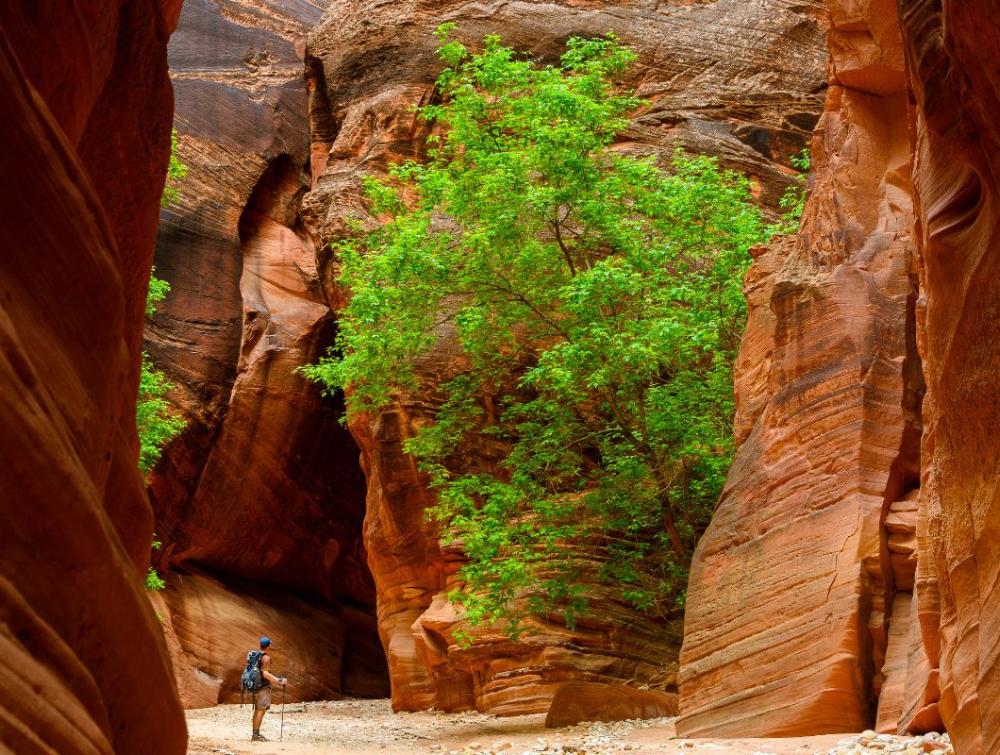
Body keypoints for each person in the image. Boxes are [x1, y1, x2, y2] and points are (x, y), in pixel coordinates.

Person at [251, 636, 287, 742]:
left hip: (256, 686)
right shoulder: (266, 658)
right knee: (261, 710)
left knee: (258, 710)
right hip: (262, 687)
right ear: (268, 646)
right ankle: (256, 735)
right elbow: (265, 674)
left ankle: (255, 733)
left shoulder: (257, 656)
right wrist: (279, 681)